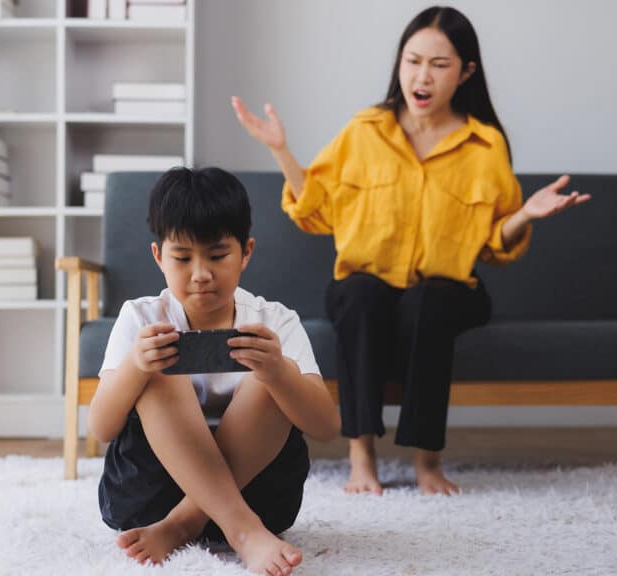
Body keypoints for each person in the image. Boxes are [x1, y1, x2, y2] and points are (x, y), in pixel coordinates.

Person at [232, 5, 590, 496]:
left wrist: (525, 216)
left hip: (447, 290)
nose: (422, 76)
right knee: (359, 295)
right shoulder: (365, 131)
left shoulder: (484, 147)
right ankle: (362, 456)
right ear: (399, 63)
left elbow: (491, 245)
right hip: (367, 284)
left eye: (439, 65)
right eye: (412, 60)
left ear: (465, 73)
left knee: (430, 300)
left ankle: (428, 462)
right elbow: (316, 211)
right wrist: (280, 149)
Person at [89, 166, 340, 575]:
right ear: (159, 256)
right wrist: (136, 366)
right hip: (153, 493)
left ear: (246, 252)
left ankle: (189, 524)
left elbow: (327, 426)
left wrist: (277, 372)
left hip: (259, 492)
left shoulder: (274, 319)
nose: (201, 274)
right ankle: (240, 531)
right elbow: (101, 428)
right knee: (154, 370)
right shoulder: (141, 316)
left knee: (275, 377)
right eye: (183, 258)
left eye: (218, 255)